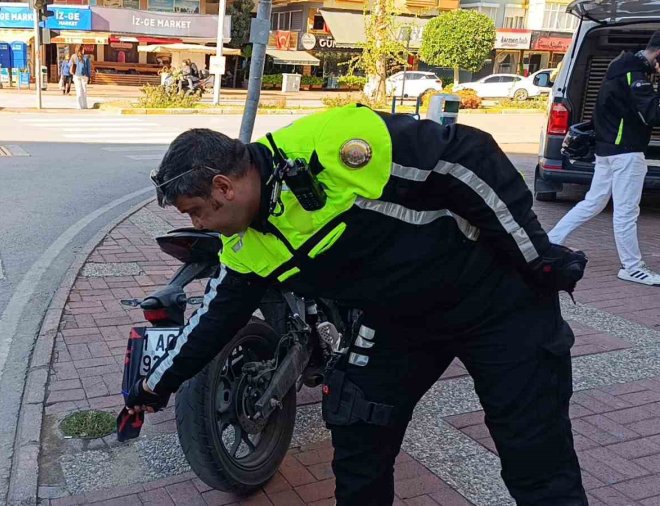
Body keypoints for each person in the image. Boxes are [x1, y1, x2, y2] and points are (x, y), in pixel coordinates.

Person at [126, 105, 590, 505]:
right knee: (358, 438)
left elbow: (469, 156)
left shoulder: (333, 144)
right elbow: (212, 321)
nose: (198, 224)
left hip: (494, 298)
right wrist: (152, 387)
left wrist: (536, 255)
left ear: (224, 187)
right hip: (396, 319)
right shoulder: (243, 248)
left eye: (195, 211)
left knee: (535, 458)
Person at [548, 31, 660, 286]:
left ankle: (551, 240)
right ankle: (632, 267)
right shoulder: (635, 77)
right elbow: (653, 114)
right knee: (626, 212)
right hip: (626, 153)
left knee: (594, 202)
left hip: (607, 151)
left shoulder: (617, 70)